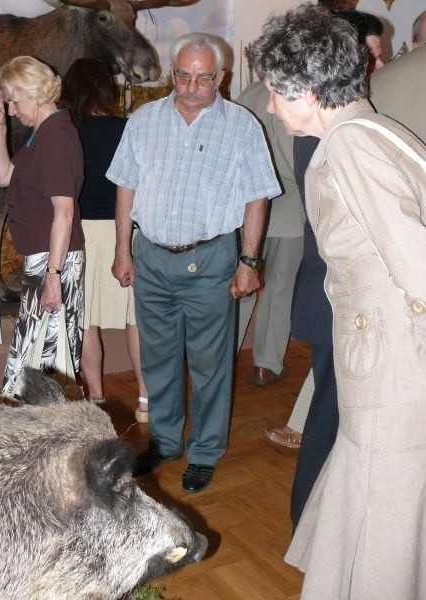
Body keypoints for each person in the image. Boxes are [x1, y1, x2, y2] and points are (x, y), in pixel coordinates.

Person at [253, 4, 426, 597]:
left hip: (392, 377)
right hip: (382, 367)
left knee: (384, 529)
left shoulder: (352, 148)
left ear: (305, 89)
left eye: (276, 93)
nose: (270, 107)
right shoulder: (376, 131)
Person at [107, 32, 281, 493]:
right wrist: (123, 248)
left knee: (210, 364)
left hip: (211, 261)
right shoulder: (143, 121)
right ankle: (165, 441)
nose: (191, 86)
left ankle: (204, 451)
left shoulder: (242, 126)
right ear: (173, 74)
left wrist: (248, 259)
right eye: (183, 75)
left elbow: (257, 196)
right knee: (159, 359)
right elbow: (125, 187)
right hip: (152, 258)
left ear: (220, 78)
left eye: (203, 78)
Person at [266, 8, 386, 458]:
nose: (376, 67)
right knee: (330, 425)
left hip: (340, 299)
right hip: (344, 301)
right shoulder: (341, 138)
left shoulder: (347, 132)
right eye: (368, 57)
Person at [0, 56, 84, 398]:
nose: (10, 110)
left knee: (47, 364)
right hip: (44, 261)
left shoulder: (55, 138)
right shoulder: (41, 134)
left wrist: (53, 276)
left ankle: (48, 441)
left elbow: (64, 212)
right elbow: (3, 176)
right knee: (32, 361)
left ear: (35, 94)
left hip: (55, 262)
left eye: (12, 101)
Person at [60, 58, 148, 418]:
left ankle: (96, 398)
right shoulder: (128, 129)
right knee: (136, 322)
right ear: (107, 90)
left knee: (87, 322)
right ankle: (146, 399)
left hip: (83, 234)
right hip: (126, 232)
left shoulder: (66, 131)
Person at [235, 82, 305, 386]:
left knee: (240, 289)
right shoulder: (299, 95)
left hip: (249, 207)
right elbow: (299, 162)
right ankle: (266, 364)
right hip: (291, 206)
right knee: (280, 289)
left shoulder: (248, 94)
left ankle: (223, 357)